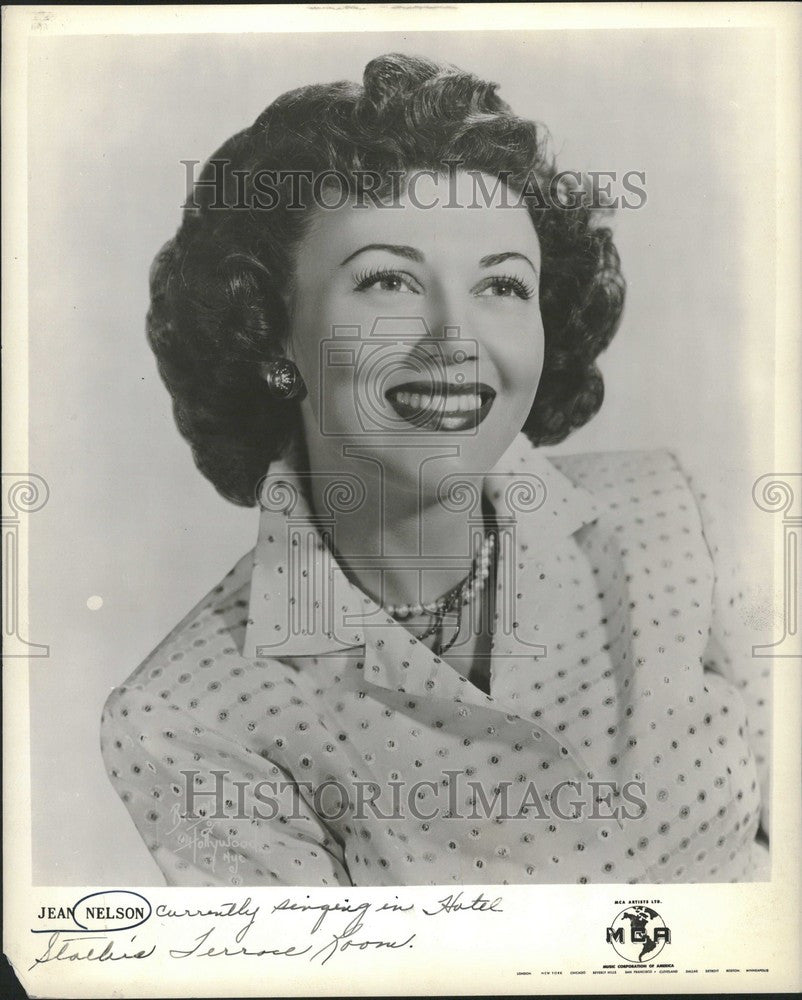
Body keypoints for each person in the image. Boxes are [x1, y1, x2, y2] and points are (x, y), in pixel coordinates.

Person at [101, 53, 770, 887]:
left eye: (501, 286)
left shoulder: (680, 517)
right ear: (271, 334)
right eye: (389, 280)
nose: (455, 339)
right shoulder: (190, 716)